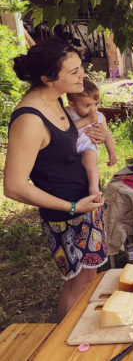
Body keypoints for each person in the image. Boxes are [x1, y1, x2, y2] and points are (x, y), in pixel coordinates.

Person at [4, 39, 109, 321]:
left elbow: (61, 147)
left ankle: (81, 335)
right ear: (48, 79)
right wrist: (72, 207)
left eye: (81, 68)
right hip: (66, 216)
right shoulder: (29, 120)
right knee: (77, 284)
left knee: (89, 277)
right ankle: (65, 345)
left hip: (84, 207)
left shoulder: (56, 99)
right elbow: (13, 186)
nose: (82, 75)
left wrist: (89, 137)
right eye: (74, 71)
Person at [66, 78, 117, 196]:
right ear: (72, 105)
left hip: (87, 147)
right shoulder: (68, 112)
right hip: (70, 148)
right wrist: (87, 120)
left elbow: (107, 136)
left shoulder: (99, 116)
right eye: (87, 105)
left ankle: (93, 189)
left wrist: (112, 153)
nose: (93, 109)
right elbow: (66, 129)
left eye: (96, 104)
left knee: (90, 162)